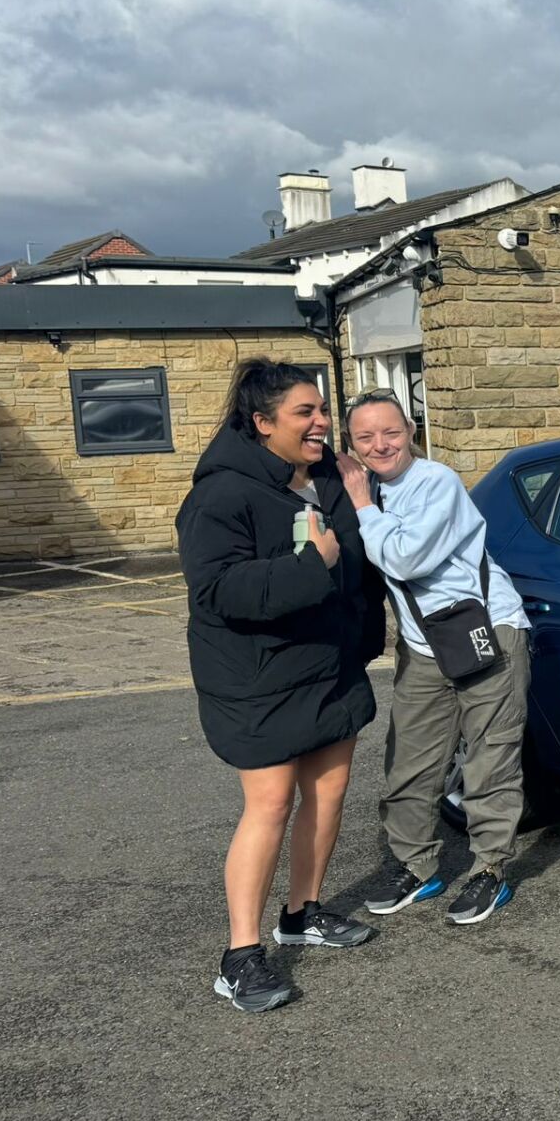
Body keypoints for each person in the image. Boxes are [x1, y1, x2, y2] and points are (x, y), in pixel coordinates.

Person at [177, 359, 386, 1013]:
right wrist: (309, 565)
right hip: (259, 677)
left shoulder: (328, 476)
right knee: (270, 805)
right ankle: (239, 958)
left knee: (328, 795)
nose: (322, 422)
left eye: (323, 410)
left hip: (329, 664)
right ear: (262, 422)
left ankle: (303, 913)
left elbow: (359, 563)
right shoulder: (221, 495)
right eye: (305, 413)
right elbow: (217, 591)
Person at [339, 390, 531, 925]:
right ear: (350, 443)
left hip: (487, 633)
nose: (381, 446)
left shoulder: (436, 482)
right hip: (425, 645)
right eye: (365, 437)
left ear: (411, 430)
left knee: (490, 759)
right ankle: (416, 867)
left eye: (391, 432)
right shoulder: (369, 485)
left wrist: (359, 504)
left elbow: (404, 558)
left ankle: (489, 870)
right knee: (410, 762)